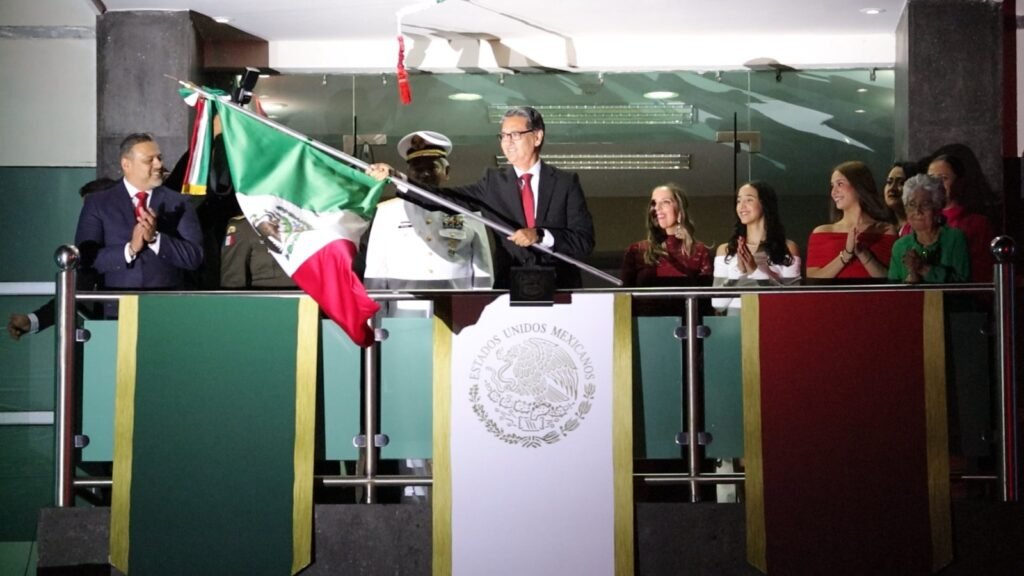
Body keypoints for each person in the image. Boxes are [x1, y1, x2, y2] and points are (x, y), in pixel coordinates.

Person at [366, 106, 595, 289]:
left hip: (561, 287)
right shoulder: (493, 183)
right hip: (511, 289)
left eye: (515, 135)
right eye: (503, 136)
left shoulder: (565, 183)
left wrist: (540, 235)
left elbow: (584, 241)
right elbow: (444, 200)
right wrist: (398, 178)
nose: (507, 142)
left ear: (537, 137)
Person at [363, 130, 493, 315]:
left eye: (432, 168)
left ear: (446, 172)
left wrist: (480, 314)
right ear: (408, 172)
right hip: (405, 313)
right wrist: (377, 319)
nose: (425, 174)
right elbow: (376, 272)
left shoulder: (467, 211)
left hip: (456, 311)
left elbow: (483, 269)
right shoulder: (387, 213)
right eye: (417, 168)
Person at [75, 133, 204, 290]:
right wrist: (130, 249)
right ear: (126, 164)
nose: (158, 164)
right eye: (149, 160)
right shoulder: (98, 203)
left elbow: (194, 257)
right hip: (117, 299)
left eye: (159, 158)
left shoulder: (180, 202)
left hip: (166, 300)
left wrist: (155, 239)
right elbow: (86, 260)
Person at [6, 177, 116, 340]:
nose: (86, 220)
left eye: (91, 211)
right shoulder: (92, 254)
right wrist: (32, 321)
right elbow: (74, 295)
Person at [712, 181, 801, 312]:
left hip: (771, 318)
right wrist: (738, 272)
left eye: (749, 200)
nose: (741, 206)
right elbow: (718, 304)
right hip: (734, 321)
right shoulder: (725, 250)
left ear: (764, 204)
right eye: (739, 201)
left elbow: (792, 301)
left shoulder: (788, 248)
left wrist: (755, 271)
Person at [806, 161, 896, 280]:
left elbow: (891, 281)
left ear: (859, 186)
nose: (833, 192)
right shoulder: (822, 232)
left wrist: (863, 254)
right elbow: (813, 280)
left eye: (840, 184)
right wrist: (846, 254)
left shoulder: (885, 231)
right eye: (832, 186)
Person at [620, 183, 712, 287]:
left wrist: (684, 244)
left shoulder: (699, 251)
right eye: (654, 203)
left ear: (679, 208)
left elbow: (705, 292)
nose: (657, 208)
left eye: (665, 202)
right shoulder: (637, 250)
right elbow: (624, 294)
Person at [888, 174, 970, 284]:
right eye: (912, 204)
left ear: (937, 208)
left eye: (925, 204)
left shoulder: (954, 239)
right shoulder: (900, 246)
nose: (917, 211)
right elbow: (893, 289)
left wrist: (923, 268)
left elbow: (963, 285)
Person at [926, 152, 994, 283]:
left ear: (960, 182)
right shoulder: (916, 221)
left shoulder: (977, 224)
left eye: (943, 178)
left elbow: (982, 272)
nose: (936, 185)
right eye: (931, 179)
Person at [883, 161, 920, 237]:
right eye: (889, 182)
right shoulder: (882, 226)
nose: (892, 188)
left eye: (901, 183)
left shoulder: (921, 229)